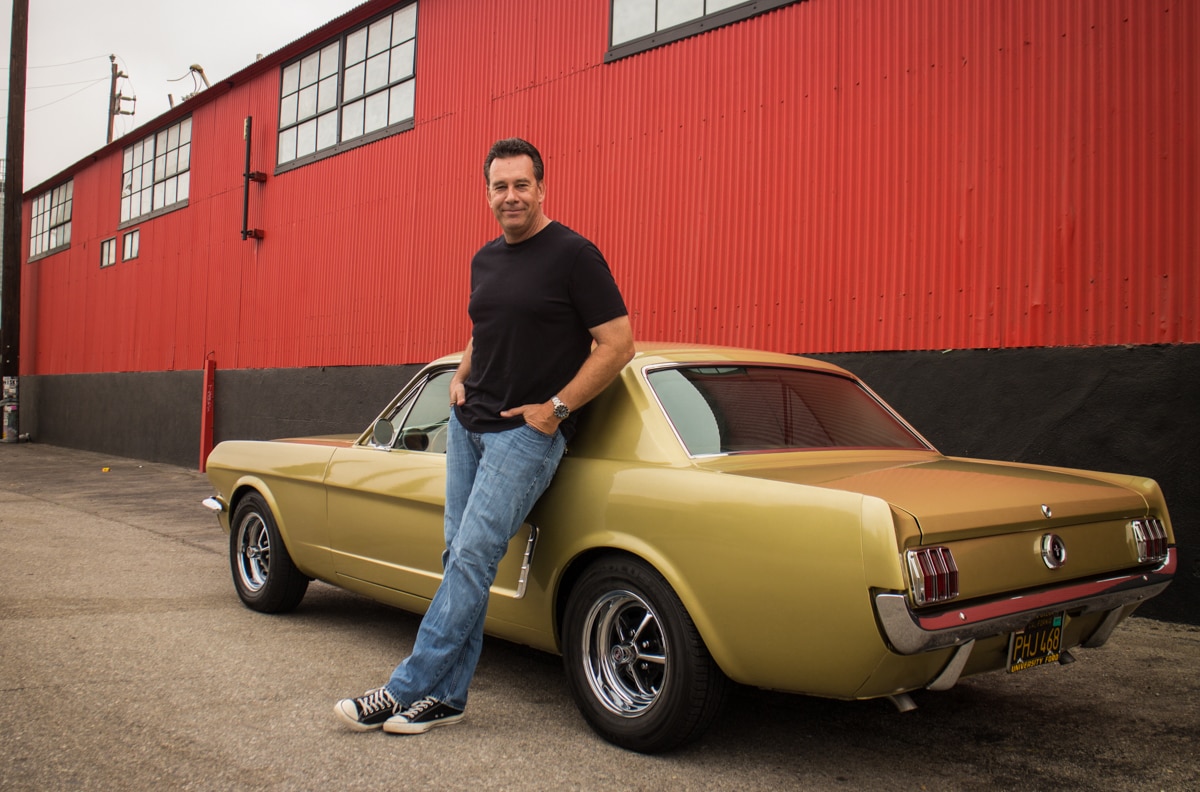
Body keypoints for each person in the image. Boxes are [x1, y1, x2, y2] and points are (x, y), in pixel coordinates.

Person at [335, 138, 635, 735]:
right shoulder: (485, 259)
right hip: (469, 429)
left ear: (542, 188)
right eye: (500, 187)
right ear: (488, 193)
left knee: (472, 558)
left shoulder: (575, 255)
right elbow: (484, 324)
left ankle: (403, 689)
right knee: (458, 560)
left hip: (523, 436)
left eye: (522, 185)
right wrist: (462, 374)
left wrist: (555, 409)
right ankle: (447, 699)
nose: (511, 196)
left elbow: (619, 343)